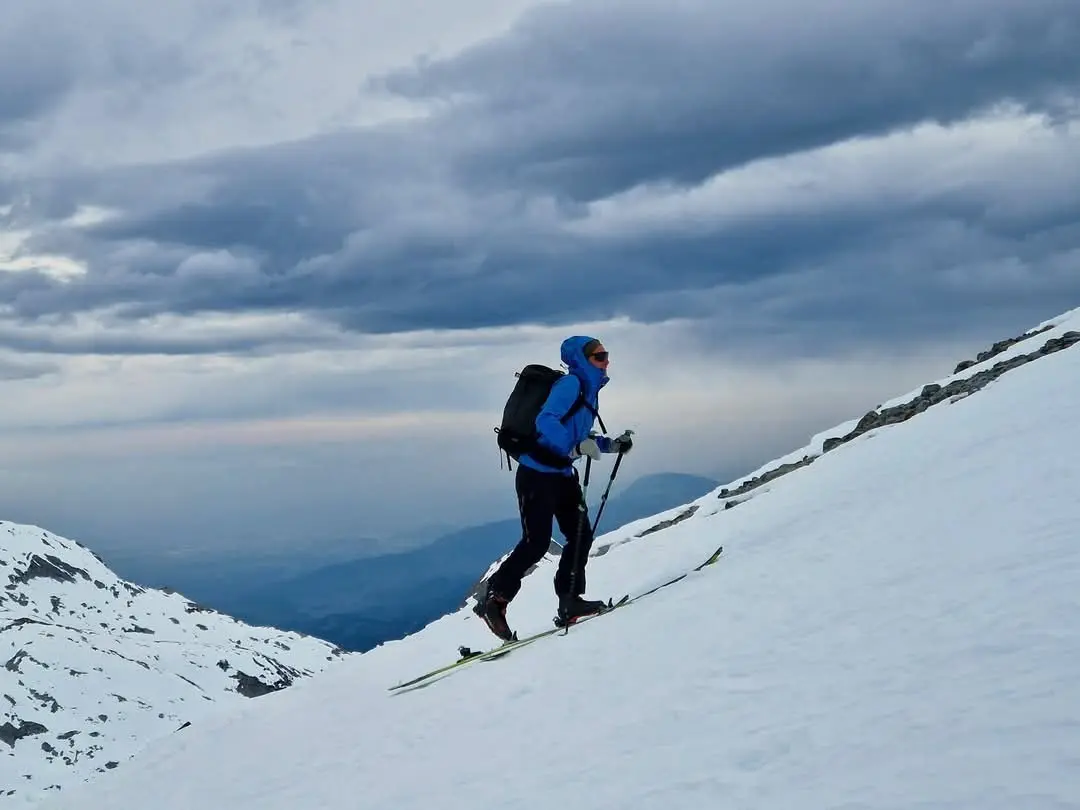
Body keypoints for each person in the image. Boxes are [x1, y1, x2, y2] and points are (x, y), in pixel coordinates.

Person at [475, 335, 634, 640]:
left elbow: (579, 434)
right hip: (536, 474)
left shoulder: (589, 391)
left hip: (561, 475)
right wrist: (575, 449)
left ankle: (570, 600)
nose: (606, 361)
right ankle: (494, 600)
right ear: (582, 360)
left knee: (579, 535)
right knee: (536, 542)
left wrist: (612, 445)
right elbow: (546, 421)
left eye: (606, 355)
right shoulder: (571, 385)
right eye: (599, 356)